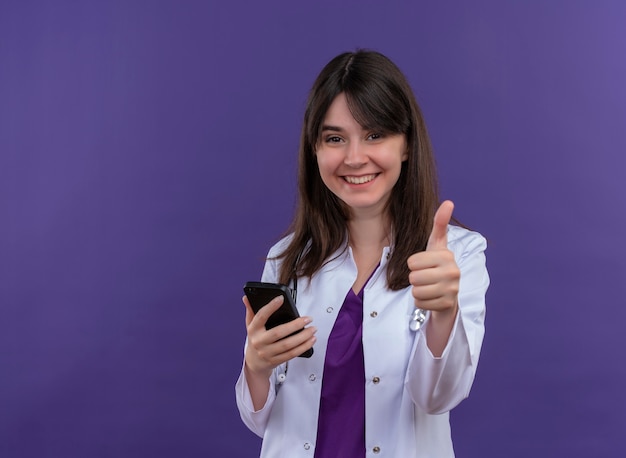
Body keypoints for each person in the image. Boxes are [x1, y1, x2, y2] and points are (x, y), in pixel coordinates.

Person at [235, 50, 489, 458]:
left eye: (374, 135)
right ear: (314, 150)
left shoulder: (456, 257)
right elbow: (260, 420)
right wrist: (257, 365)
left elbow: (436, 399)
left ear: (406, 145)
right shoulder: (287, 258)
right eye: (335, 138)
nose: (354, 158)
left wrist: (444, 315)